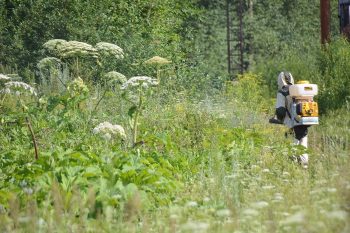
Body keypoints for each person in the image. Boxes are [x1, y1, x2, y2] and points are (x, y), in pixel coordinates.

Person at [274, 71, 309, 168]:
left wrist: (278, 118)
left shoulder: (282, 92)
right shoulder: (299, 91)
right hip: (303, 123)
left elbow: (280, 111)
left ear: (280, 80)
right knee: (303, 147)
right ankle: (304, 168)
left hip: (290, 125)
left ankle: (292, 169)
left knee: (291, 149)